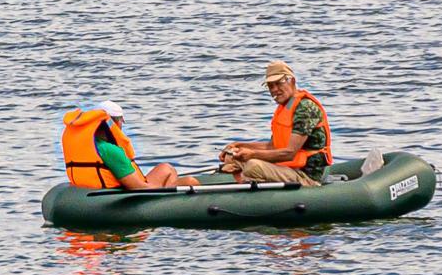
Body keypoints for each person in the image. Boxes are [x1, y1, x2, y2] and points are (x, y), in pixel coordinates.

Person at [221, 62, 329, 186]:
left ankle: (248, 190)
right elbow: (273, 146)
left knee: (253, 166)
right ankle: (246, 186)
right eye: (271, 86)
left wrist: (252, 154)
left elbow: (289, 153)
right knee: (231, 157)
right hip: (286, 168)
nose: (274, 90)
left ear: (292, 81)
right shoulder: (285, 108)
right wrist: (238, 145)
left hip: (305, 175)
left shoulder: (305, 108)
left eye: (279, 83)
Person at [61, 104, 195, 190]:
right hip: (127, 194)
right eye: (120, 121)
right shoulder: (111, 151)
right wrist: (166, 187)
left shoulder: (90, 146)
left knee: (166, 169)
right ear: (114, 124)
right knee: (190, 181)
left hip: (92, 187)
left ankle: (168, 203)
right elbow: (139, 188)